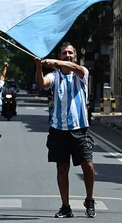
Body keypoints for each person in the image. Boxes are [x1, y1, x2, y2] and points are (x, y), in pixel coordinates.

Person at [34, 42, 96, 218]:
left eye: (70, 53)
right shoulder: (54, 76)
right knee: (62, 168)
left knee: (88, 165)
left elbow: (74, 67)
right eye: (64, 53)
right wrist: (39, 67)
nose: (67, 56)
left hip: (80, 128)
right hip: (58, 129)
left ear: (75, 56)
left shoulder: (81, 72)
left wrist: (53, 61)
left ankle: (90, 199)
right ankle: (65, 206)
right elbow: (42, 83)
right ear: (60, 55)